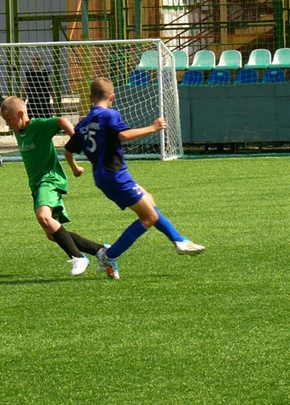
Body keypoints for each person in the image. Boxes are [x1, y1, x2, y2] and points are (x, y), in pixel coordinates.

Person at [64, 77, 205, 280]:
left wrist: (75, 168)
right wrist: (153, 128)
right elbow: (123, 135)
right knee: (149, 217)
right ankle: (109, 255)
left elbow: (68, 150)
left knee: (149, 201)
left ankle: (179, 240)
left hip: (102, 176)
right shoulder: (109, 114)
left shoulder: (84, 123)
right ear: (112, 97)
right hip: (116, 175)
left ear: (90, 97)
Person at [0, 96, 108, 276]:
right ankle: (100, 250)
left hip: (48, 180)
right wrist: (75, 167)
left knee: (43, 217)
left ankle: (78, 257)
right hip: (36, 186)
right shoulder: (19, 129)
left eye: (9, 120)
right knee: (52, 233)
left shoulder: (38, 126)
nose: (8, 125)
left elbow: (61, 121)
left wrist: (75, 139)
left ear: (20, 114)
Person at [21, 54, 56, 119]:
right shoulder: (29, 73)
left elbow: (51, 89)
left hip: (44, 104)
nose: (35, 61)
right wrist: (22, 104)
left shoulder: (45, 73)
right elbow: (24, 90)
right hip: (32, 104)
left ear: (41, 61)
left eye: (37, 59)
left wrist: (54, 103)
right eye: (34, 59)